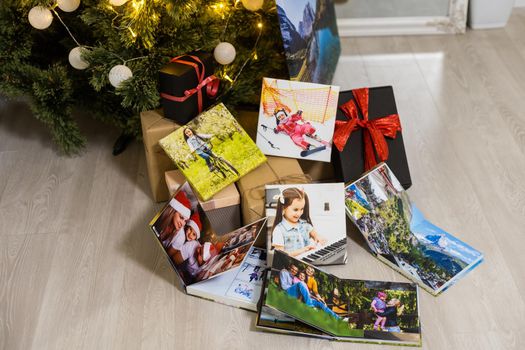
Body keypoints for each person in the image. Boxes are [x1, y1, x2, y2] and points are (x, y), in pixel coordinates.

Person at [271, 187, 327, 257]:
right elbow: (280, 256)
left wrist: (319, 238)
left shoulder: (304, 224)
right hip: (291, 265)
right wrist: (304, 250)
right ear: (283, 208)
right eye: (295, 209)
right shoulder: (279, 230)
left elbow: (315, 235)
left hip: (308, 260)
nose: (299, 213)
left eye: (302, 209)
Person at [171, 212, 204, 282]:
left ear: (196, 238)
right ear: (187, 227)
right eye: (190, 229)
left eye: (194, 234)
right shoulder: (181, 236)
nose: (190, 234)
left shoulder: (191, 245)